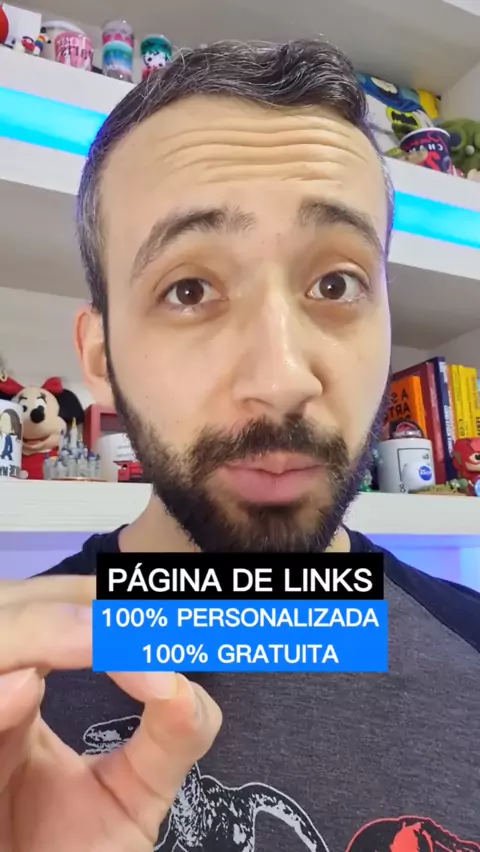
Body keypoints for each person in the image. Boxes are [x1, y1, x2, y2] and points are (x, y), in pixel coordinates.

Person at [1, 40, 478, 852]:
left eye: (336, 284)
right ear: (100, 357)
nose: (282, 378)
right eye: (189, 289)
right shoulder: (15, 697)